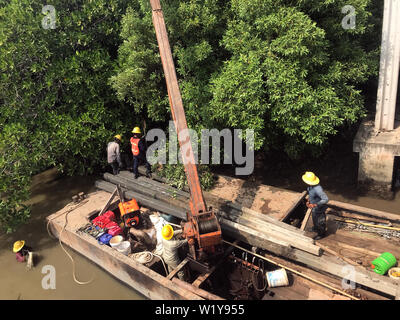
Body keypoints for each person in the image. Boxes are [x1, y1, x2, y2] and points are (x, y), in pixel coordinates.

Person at [302, 171, 329, 240]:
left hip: (319, 208)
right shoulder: (310, 186)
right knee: (314, 218)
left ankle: (321, 234)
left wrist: (315, 204)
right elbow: (310, 194)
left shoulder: (318, 189)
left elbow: (325, 199)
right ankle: (316, 228)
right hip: (314, 208)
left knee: (320, 221)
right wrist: (308, 201)